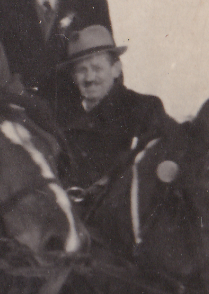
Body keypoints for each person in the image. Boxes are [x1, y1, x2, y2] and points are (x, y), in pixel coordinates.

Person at [54, 25, 169, 192]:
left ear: (116, 69)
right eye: (81, 70)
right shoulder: (62, 119)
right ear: (73, 77)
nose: (89, 78)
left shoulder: (144, 109)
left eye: (97, 68)